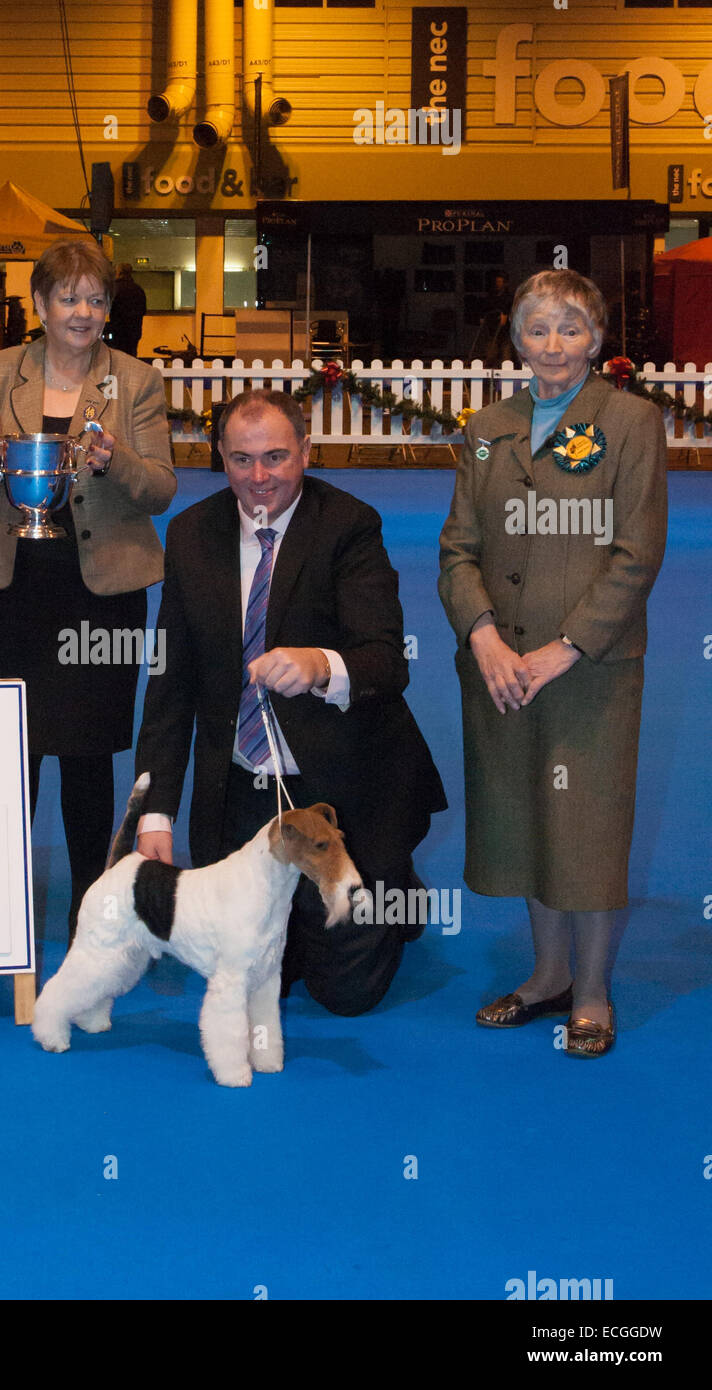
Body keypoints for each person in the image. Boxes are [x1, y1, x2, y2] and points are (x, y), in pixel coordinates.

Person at [134, 389, 446, 1014]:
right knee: (260, 980)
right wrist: (155, 814)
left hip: (343, 783)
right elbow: (171, 686)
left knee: (345, 995)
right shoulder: (192, 534)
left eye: (276, 457)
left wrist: (321, 666)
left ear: (307, 450)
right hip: (244, 786)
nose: (259, 478)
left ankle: (392, 877)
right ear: (218, 456)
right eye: (241, 459)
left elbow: (388, 661)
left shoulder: (350, 526)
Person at [439, 269, 667, 1057]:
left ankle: (595, 991)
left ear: (598, 339)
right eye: (537, 328)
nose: (554, 344)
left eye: (571, 327)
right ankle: (546, 978)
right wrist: (484, 637)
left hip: (591, 668)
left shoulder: (633, 422)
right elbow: (457, 549)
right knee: (528, 818)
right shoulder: (485, 426)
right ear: (516, 339)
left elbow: (638, 556)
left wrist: (566, 646)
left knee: (590, 828)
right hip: (502, 666)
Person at [0, 238, 175, 938]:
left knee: (89, 750)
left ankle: (90, 904)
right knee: (14, 749)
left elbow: (161, 489)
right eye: (68, 297)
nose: (83, 311)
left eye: (96, 298)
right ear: (39, 305)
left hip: (101, 592)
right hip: (17, 588)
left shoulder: (137, 380)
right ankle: (1, 900)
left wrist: (117, 461)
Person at [105, 262, 147, 358]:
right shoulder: (138, 290)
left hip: (117, 331)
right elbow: (143, 310)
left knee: (116, 358)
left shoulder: (115, 288)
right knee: (131, 358)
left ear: (119, 273)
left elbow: (106, 308)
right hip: (134, 331)